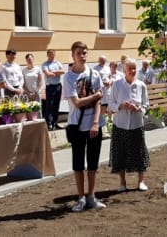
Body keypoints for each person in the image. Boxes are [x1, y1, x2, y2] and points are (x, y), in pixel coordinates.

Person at [63, 41, 106, 212]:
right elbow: (77, 102)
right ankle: (80, 197)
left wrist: (96, 122)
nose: (83, 56)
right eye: (79, 53)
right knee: (78, 162)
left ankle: (91, 196)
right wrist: (95, 95)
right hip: (76, 124)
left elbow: (99, 101)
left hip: (94, 124)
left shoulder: (94, 74)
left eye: (85, 53)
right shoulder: (68, 77)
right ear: (73, 55)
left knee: (93, 162)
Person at [108, 58, 150, 192]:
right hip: (120, 125)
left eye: (134, 68)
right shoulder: (117, 85)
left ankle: (141, 181)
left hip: (136, 125)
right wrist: (121, 105)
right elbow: (110, 105)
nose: (132, 71)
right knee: (120, 153)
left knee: (139, 152)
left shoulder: (141, 85)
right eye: (129, 68)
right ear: (124, 70)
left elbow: (146, 105)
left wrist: (138, 109)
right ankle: (122, 182)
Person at [42, 49, 65, 130]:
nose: (52, 55)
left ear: (55, 54)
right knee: (49, 105)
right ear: (47, 55)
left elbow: (62, 71)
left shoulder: (57, 63)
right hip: (50, 87)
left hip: (58, 86)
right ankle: (48, 123)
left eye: (53, 54)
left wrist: (54, 72)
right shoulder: (45, 64)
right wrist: (56, 73)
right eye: (50, 54)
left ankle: (55, 122)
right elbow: (48, 74)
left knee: (56, 105)